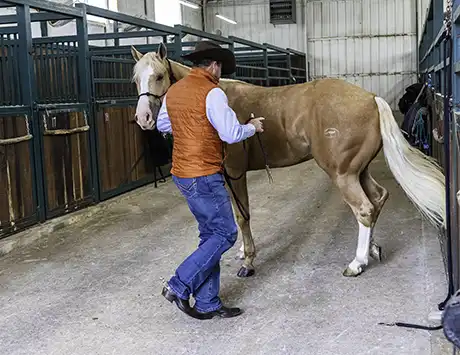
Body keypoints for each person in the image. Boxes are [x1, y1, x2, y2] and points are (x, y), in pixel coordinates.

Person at [156, 40, 265, 320]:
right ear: (214, 66)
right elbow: (230, 134)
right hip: (203, 173)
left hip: (182, 174)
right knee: (226, 233)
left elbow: (163, 124)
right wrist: (251, 127)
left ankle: (207, 302)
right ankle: (179, 284)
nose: (220, 72)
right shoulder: (212, 93)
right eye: (220, 68)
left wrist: (191, 127)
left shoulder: (174, 91)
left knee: (210, 235)